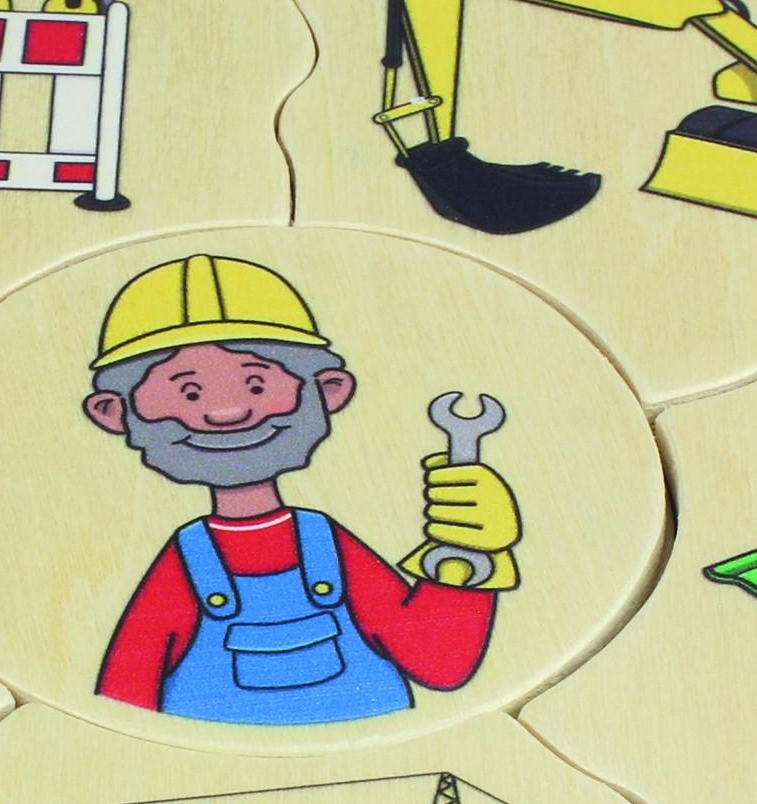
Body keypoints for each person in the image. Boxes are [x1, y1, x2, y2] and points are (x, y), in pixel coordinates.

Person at [81, 256, 518, 726]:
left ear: (329, 390)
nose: (227, 413)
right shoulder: (186, 562)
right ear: (114, 412)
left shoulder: (326, 543)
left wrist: (470, 551)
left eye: (256, 385)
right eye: (189, 393)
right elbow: (123, 695)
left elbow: (438, 661)